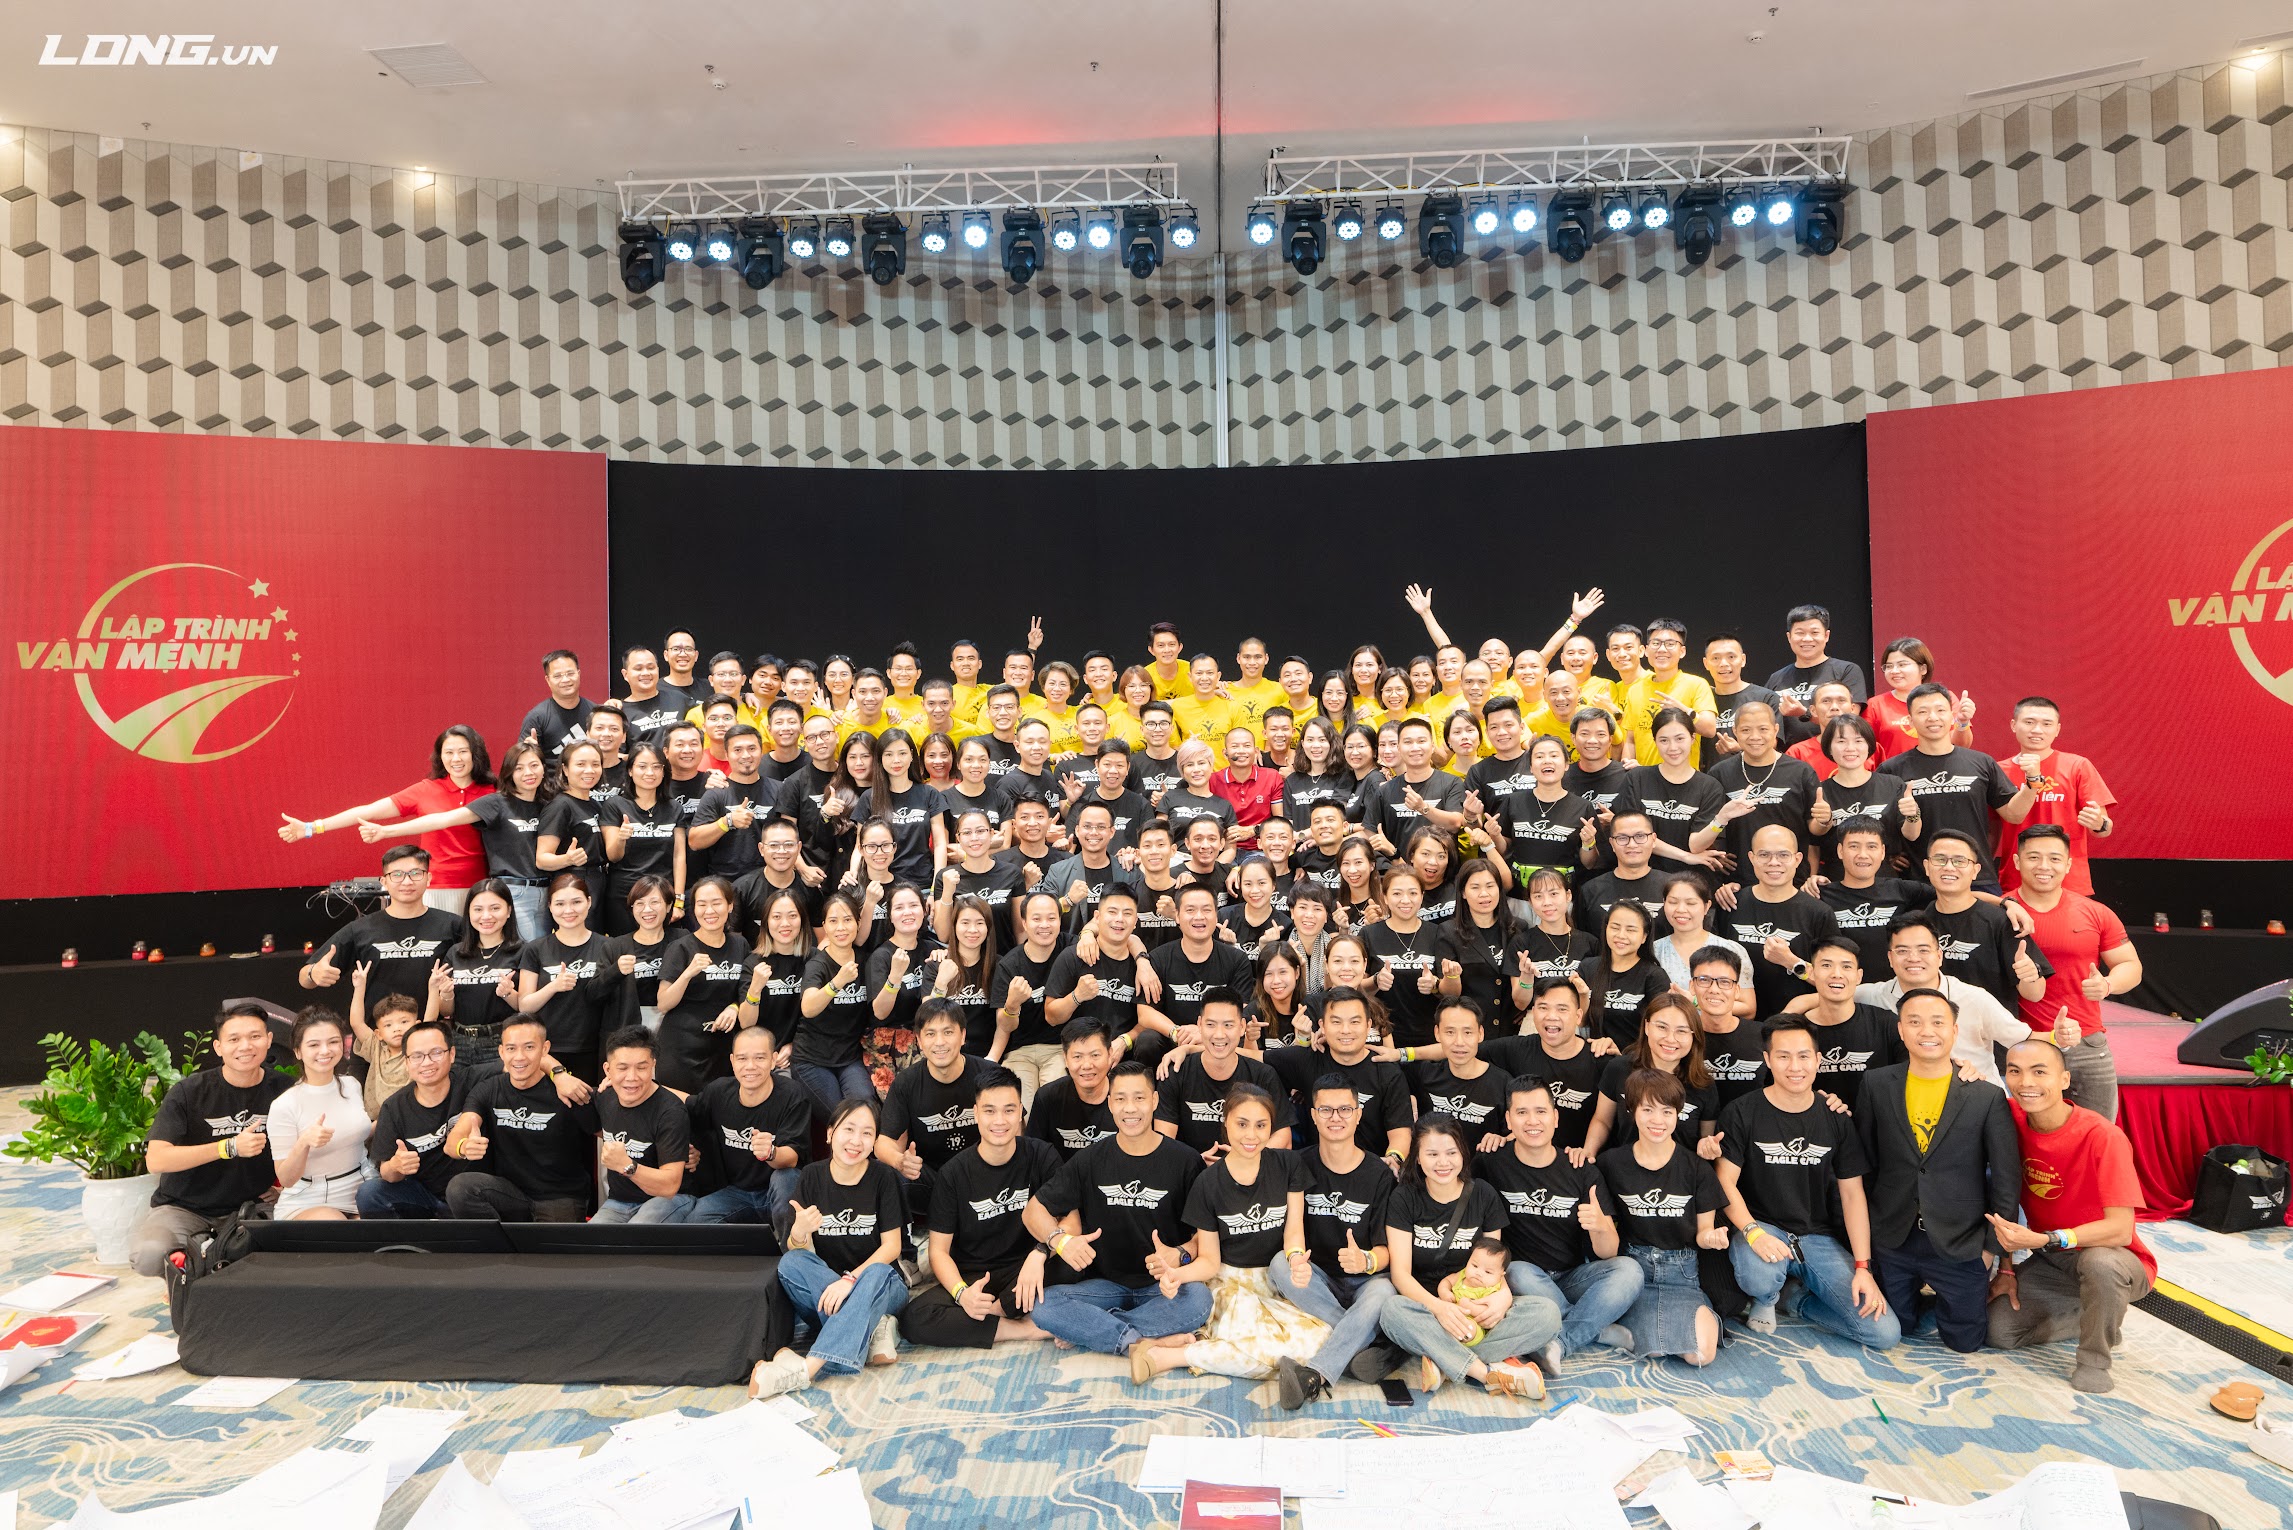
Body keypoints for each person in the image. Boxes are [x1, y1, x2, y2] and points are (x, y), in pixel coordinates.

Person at [1855, 989, 2022, 1355]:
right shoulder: (1876, 1084)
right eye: (1914, 1022)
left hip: (1960, 1241)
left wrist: (1990, 1250)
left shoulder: (1986, 1095)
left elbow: (2007, 1180)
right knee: (1899, 1328)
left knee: (1965, 1342)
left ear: (1954, 1029)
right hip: (1893, 1237)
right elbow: (1865, 1165)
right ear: (1900, 1030)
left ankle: (1946, 1296)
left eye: (1937, 1022)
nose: (1926, 1030)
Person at [1714, 1017, 1899, 1347]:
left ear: (1817, 1060)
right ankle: (1768, 1294)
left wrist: (1863, 1268)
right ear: (1768, 1060)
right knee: (1759, 1276)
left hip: (1816, 1236)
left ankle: (1793, 1301)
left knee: (1884, 1333)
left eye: (1803, 1056)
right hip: (1762, 1228)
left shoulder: (1836, 1117)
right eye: (1783, 1056)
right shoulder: (1742, 1111)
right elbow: (1724, 1182)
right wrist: (1752, 1232)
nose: (1794, 1066)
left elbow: (1853, 1195)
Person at [1986, 1039, 2155, 1393]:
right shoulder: (2010, 1118)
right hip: (2053, 1260)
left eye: (2039, 1072)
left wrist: (2048, 1238)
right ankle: (2098, 1315)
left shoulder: (2102, 1136)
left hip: (2117, 1258)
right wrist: (2006, 1268)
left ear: (2064, 1079)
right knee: (1998, 1332)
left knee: (2100, 1265)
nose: (2026, 1082)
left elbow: (2121, 1230)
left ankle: (2095, 1357)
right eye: (2015, 1072)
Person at [1025, 1061, 1215, 1370]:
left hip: (1163, 1285)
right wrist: (1059, 1242)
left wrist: (1179, 1255)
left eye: (1139, 1098)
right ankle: (1145, 1343)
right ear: (1110, 1103)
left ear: (1154, 1101)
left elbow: (1201, 1238)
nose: (1130, 1108)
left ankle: (1099, 1330)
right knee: (1045, 1306)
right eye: (1121, 1098)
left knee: (1199, 1300)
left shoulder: (1185, 1160)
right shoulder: (1089, 1160)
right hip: (1104, 1285)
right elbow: (1034, 1210)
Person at [1134, 1083, 1329, 1383]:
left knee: (1320, 1339)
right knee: (1270, 1350)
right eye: (1242, 1124)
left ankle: (1177, 1351)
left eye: (1261, 1125)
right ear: (1225, 1123)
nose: (1251, 1135)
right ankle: (1171, 1356)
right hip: (1232, 1283)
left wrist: (1296, 1261)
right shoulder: (1208, 1183)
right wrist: (1176, 1275)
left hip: (1276, 1281)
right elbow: (1210, 1261)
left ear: (1271, 1127)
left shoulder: (1288, 1164)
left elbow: (1294, 1233)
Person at [1376, 1116, 1557, 1398]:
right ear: (1418, 1159)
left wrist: (1502, 1297)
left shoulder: (1483, 1195)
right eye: (1432, 1154)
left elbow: (1494, 1265)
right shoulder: (1403, 1198)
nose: (1443, 1162)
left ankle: (1443, 1359)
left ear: (1463, 1152)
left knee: (1548, 1315)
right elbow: (1400, 1275)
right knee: (1391, 1312)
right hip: (1427, 1307)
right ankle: (1487, 1374)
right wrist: (1439, 1308)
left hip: (1476, 1303)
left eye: (1451, 1153)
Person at [748, 1098, 911, 1397]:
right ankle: (872, 1327)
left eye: (866, 1133)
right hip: (827, 1294)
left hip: (880, 1287)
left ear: (874, 1141)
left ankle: (806, 1369)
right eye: (848, 1129)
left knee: (876, 1272)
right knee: (790, 1262)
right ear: (829, 1133)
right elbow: (799, 1251)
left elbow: (892, 1248)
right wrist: (799, 1230)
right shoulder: (811, 1176)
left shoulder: (883, 1178)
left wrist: (851, 1281)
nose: (856, 1140)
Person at [1478, 1077, 1643, 1366]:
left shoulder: (1579, 1167)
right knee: (1515, 1269)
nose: (1532, 1121)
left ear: (1555, 1118)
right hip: (1522, 1280)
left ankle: (1563, 1339)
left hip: (1572, 1276)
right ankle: (1593, 1327)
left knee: (1630, 1270)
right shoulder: (1491, 1162)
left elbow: (1609, 1253)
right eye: (1522, 1112)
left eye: (1541, 1112)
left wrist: (1600, 1225)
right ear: (1508, 1120)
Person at [900, 1066, 1064, 1350]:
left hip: (1029, 1267)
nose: (999, 1121)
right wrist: (962, 1294)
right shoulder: (953, 1174)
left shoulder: (1041, 1155)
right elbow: (938, 1251)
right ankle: (1023, 1327)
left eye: (1009, 1110)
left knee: (1075, 1260)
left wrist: (1041, 1253)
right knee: (915, 1319)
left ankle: (999, 1312)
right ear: (975, 1114)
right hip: (977, 1274)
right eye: (989, 1111)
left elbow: (1067, 1219)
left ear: (1021, 1112)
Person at [1272, 1074, 1402, 1408]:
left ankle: (1313, 1375)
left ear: (1359, 1114)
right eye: (1326, 1110)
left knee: (1384, 1292)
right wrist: (1297, 1257)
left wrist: (1366, 1261)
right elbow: (1293, 1226)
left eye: (1345, 1109)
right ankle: (1372, 1342)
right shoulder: (1299, 1162)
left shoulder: (1379, 1174)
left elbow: (1390, 1253)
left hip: (1365, 1283)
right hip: (1321, 1280)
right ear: (1312, 1115)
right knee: (1278, 1265)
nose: (1336, 1118)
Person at [276, 724, 497, 916]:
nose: (455, 759)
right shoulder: (426, 790)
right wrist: (312, 827)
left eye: (462, 752)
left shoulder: (493, 792)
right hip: (433, 888)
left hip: (481, 888)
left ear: (475, 754)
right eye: (448, 752)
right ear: (440, 757)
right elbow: (368, 811)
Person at [130, 1005, 287, 1274]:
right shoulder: (189, 1091)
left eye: (255, 1036)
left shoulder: (286, 1090)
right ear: (218, 1047)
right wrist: (228, 1147)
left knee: (291, 1248)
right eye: (234, 1039)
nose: (245, 1046)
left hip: (251, 1208)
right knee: (150, 1255)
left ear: (269, 1040)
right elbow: (156, 1160)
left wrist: (284, 1187)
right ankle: (185, 1280)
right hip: (185, 1208)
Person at [2007, 825, 2141, 1124]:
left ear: (2068, 864)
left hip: (2087, 1044)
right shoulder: (1999, 913)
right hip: (2022, 1043)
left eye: (2055, 858)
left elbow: (2131, 967)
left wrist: (2107, 984)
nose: (2044, 866)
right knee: (2021, 1144)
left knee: (2098, 1136)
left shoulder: (2095, 912)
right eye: (2034, 857)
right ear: (2017, 861)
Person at [1598, 1069, 1731, 1366]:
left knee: (1699, 1356)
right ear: (1632, 1111)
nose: (1657, 1120)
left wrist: (1711, 1238)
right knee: (1654, 1351)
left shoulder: (1696, 1168)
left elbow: (1703, 1231)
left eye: (1667, 1111)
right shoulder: (1612, 1163)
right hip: (1635, 1273)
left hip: (1682, 1274)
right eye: (1647, 1109)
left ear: (1678, 1114)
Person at [363, 744, 553, 936]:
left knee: (545, 957)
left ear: (544, 768)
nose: (528, 773)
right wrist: (386, 831)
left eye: (534, 765)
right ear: (508, 772)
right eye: (519, 768)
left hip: (547, 892)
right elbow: (443, 819)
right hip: (514, 892)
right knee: (525, 955)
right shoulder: (496, 803)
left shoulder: (548, 804)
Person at [1879, 683, 2036, 893]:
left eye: (1940, 710)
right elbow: (1879, 822)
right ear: (1909, 720)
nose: (1933, 717)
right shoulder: (1892, 769)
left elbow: (2014, 814)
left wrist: (2033, 782)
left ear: (1952, 715)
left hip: (1977, 879)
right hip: (1919, 882)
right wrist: (1889, 853)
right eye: (1922, 712)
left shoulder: (1982, 763)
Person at [445, 1017, 600, 1222]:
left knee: (552, 1254)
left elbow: (604, 1132)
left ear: (545, 1049)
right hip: (510, 1194)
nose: (519, 1057)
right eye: (511, 1049)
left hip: (560, 1197)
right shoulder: (488, 1089)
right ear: (501, 1052)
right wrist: (464, 1147)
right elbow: (451, 1143)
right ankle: (499, 1249)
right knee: (461, 1188)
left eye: (529, 1047)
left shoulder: (566, 1090)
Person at [876, 997, 997, 1229]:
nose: (939, 1042)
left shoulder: (989, 1075)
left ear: (962, 1035)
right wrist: (900, 1161)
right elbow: (883, 1143)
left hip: (985, 1175)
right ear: (919, 1041)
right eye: (930, 1034)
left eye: (948, 1032)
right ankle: (913, 1244)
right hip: (933, 1180)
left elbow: (1017, 1132)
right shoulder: (907, 1083)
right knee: (889, 1175)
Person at [299, 846, 467, 1005]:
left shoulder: (453, 925)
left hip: (430, 1031)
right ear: (384, 882)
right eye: (397, 874)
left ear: (428, 878)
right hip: (375, 1032)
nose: (407, 882)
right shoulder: (360, 929)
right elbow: (304, 978)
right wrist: (312, 974)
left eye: (416, 873)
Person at [680, 1024, 810, 1225]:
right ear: (732, 1061)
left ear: (773, 1059)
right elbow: (685, 1103)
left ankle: (792, 1252)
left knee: (786, 1178)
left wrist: (770, 1153)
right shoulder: (720, 1091)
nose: (750, 1066)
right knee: (696, 1222)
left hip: (777, 1189)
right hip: (737, 1193)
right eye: (742, 1058)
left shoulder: (792, 1094)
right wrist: (643, 1086)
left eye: (759, 1058)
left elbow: (792, 1158)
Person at [1713, 825, 1840, 1017]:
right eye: (1764, 855)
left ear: (1797, 859)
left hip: (1796, 1025)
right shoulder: (1730, 904)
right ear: (1751, 858)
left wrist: (1792, 962)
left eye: (1783, 855)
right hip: (1737, 1023)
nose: (1774, 862)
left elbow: (1835, 982)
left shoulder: (1818, 912)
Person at [1997, 697, 2118, 896]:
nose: (2037, 730)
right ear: (2013, 725)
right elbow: (1991, 831)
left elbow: (2103, 828)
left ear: (2057, 729)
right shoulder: (1998, 770)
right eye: (2029, 722)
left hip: (2069, 882)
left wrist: (2099, 823)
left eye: (2046, 724)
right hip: (2016, 880)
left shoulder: (2078, 766)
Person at [1155, 988, 1294, 1158]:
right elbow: (1164, 1141)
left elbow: (1284, 1138)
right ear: (1199, 1025)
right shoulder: (1176, 1072)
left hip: (1249, 1173)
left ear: (1242, 1027)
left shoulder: (1263, 1075)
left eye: (1228, 1025)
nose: (1219, 1034)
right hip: (1190, 1177)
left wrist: (1240, 1163)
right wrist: (1196, 1164)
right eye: (1211, 1025)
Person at [265, 1009, 375, 1219]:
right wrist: (304, 1142)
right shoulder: (285, 1105)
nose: (325, 1051)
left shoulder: (351, 1085)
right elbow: (286, 1178)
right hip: (311, 1197)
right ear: (298, 1051)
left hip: (362, 1188)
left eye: (333, 1042)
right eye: (314, 1045)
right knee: (335, 1225)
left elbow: (352, 1135)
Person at [1583, 993, 1723, 1157]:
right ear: (1647, 1027)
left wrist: (1706, 1147)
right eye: (1662, 1027)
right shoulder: (1618, 1069)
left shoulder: (1703, 1084)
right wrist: (1589, 1152)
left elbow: (1706, 1137)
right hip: (1624, 1173)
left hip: (1681, 1177)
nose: (1670, 1039)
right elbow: (1602, 1121)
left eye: (1682, 1031)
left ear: (1694, 1036)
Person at [358, 1020, 470, 1219]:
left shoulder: (472, 1082)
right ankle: (402, 1248)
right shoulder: (393, 1107)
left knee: (462, 1189)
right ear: (407, 1062)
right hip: (424, 1197)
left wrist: (547, 1063)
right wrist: (396, 1165)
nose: (426, 1062)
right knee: (370, 1193)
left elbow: (517, 1066)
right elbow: (386, 1172)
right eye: (417, 1056)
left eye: (436, 1053)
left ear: (452, 1054)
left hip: (470, 1195)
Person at [588, 1027, 694, 1223]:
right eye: (622, 1068)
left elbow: (670, 1186)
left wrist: (626, 1165)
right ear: (607, 1070)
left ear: (653, 1065)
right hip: (618, 1202)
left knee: (636, 1233)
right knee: (591, 1244)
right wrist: (558, 1074)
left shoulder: (671, 1111)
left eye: (641, 1067)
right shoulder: (604, 1096)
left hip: (669, 1199)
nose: (632, 1077)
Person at [514, 872, 611, 1083]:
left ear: (589, 902)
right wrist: (554, 986)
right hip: (549, 1050)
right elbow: (525, 1005)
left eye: (576, 902)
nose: (568, 910)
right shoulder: (535, 949)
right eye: (560, 904)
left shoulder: (607, 947)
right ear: (549, 906)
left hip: (594, 1048)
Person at [795, 892, 880, 1112]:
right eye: (833, 921)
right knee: (841, 1115)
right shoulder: (818, 964)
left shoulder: (867, 960)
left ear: (858, 923)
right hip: (812, 1059)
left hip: (849, 1058)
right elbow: (808, 1007)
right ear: (824, 926)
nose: (841, 927)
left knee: (865, 1107)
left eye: (847, 920)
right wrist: (837, 982)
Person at [1619, 620, 1719, 767]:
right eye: (1656, 643)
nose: (1662, 649)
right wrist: (1627, 766)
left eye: (1670, 644)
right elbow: (1630, 740)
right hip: (1644, 779)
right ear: (1646, 650)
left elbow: (1710, 729)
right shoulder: (1635, 689)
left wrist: (1683, 711)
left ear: (1682, 651)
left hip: (1685, 781)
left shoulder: (1696, 684)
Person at [1026, 1018, 1120, 1158]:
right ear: (1065, 1058)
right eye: (1077, 1056)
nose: (1087, 1065)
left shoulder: (1124, 1096)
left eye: (1095, 1055)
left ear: (1110, 1053)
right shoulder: (1048, 1097)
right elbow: (1033, 1154)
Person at [1765, 605, 1868, 713]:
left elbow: (1850, 720)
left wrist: (1804, 714)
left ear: (1826, 636)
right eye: (1800, 633)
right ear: (1789, 637)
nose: (1807, 639)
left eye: (1814, 633)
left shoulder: (1847, 671)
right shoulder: (1776, 678)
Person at [519, 648, 595, 763]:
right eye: (557, 676)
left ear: (579, 674)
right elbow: (521, 761)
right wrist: (529, 751)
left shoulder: (595, 713)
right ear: (548, 680)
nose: (565, 680)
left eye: (570, 673)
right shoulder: (537, 718)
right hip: (551, 780)